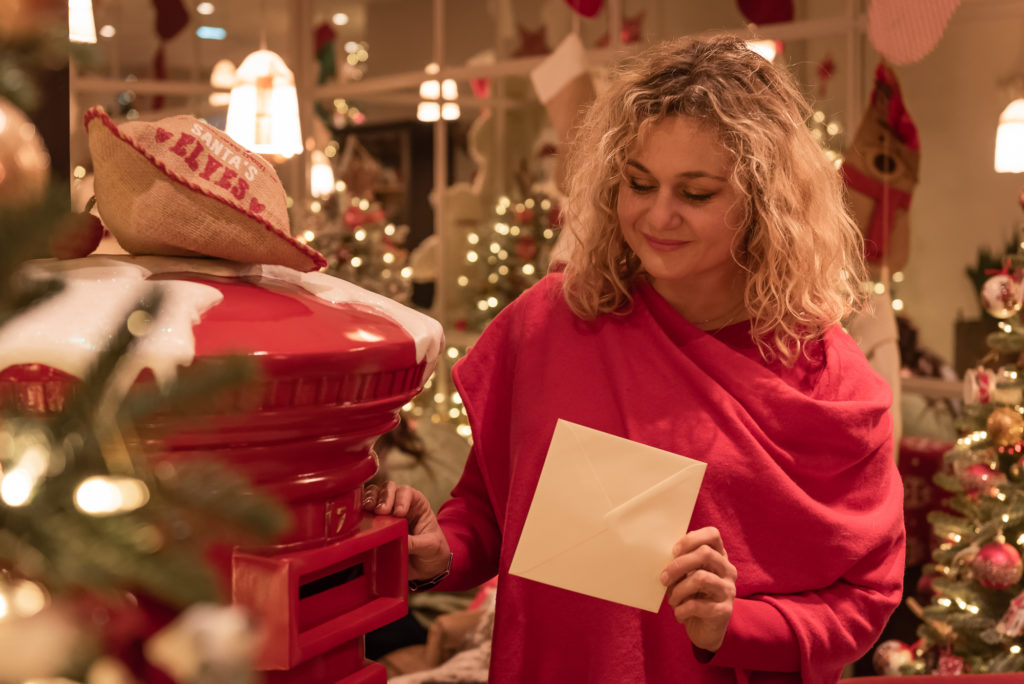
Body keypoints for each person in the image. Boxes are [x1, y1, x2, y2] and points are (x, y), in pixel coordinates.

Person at [363, 34, 905, 683]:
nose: (658, 215)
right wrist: (439, 550)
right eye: (639, 183)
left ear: (767, 204)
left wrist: (733, 625)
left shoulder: (830, 382)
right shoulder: (554, 322)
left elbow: (863, 600)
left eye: (696, 193)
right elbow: (490, 505)